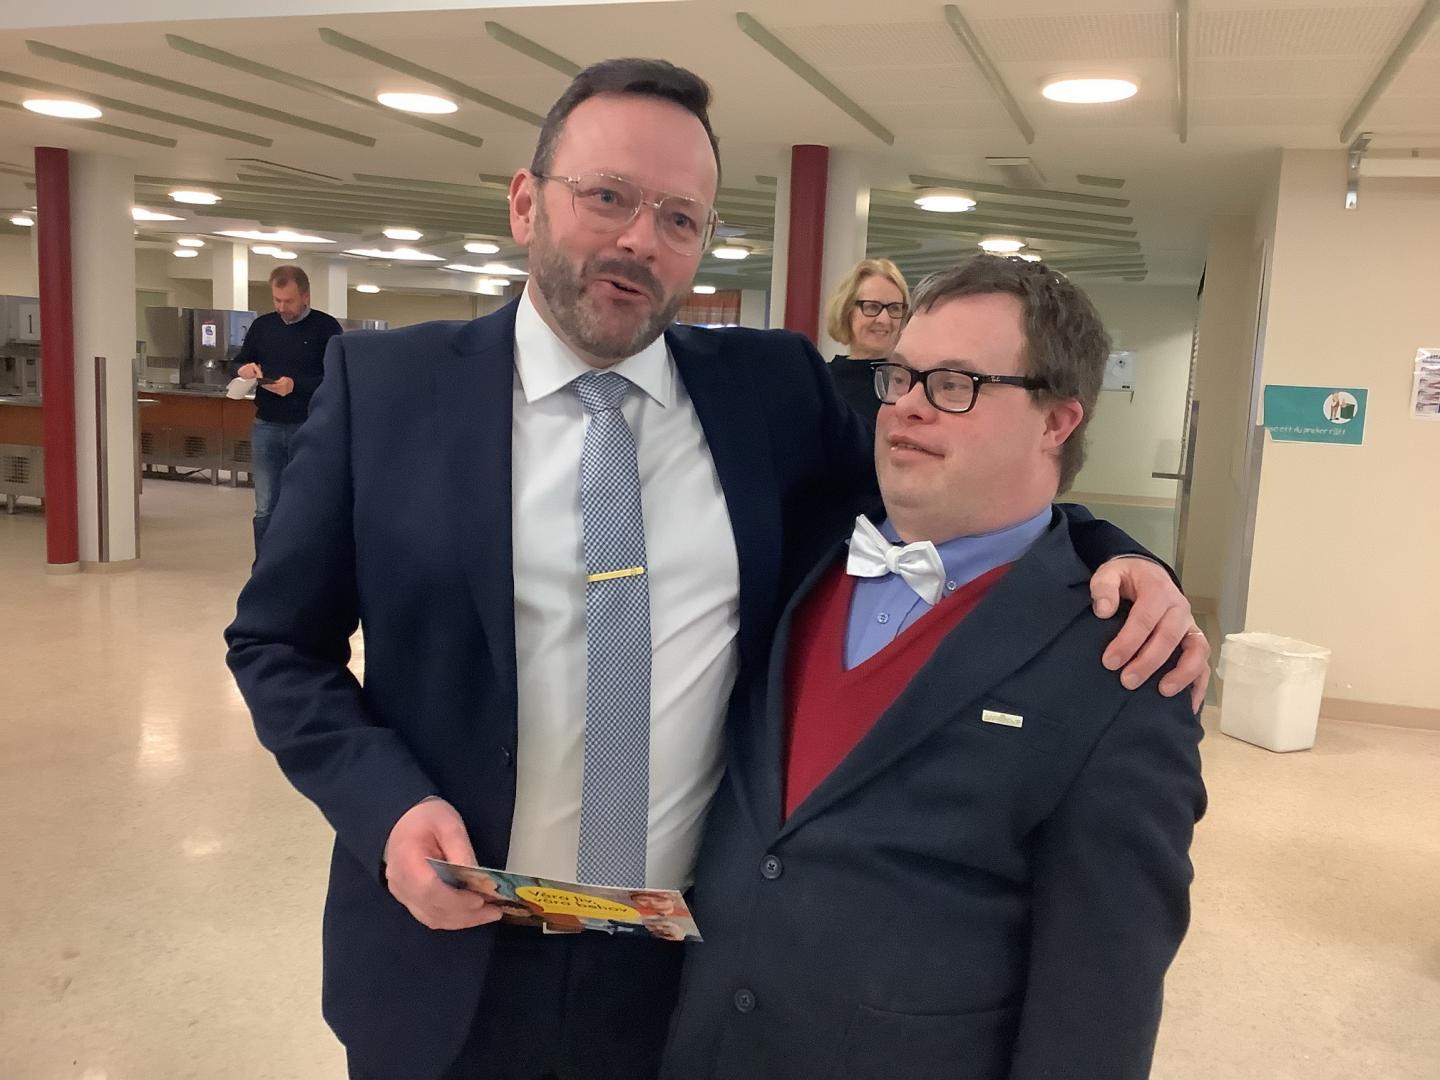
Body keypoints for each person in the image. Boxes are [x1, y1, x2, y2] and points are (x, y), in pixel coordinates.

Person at [224, 59, 1208, 1080]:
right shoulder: (389, 391)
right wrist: (383, 806)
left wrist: (1111, 554)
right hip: (447, 954)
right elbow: (275, 644)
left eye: (680, 218)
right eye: (607, 196)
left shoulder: (768, 393)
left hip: (684, 979)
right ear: (525, 203)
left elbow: (946, 488)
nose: (640, 239)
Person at [661, 256, 1208, 1080]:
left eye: (956, 383)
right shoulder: (802, 555)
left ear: (1058, 421)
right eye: (902, 377)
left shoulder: (1123, 665)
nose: (907, 406)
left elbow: (1101, 1000)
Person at [232, 263, 343, 553]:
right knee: (265, 506)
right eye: (277, 300)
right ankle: (265, 567)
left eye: (289, 301)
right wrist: (244, 369)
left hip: (308, 426)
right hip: (266, 424)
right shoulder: (263, 326)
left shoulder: (326, 328)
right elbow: (239, 362)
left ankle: (303, 563)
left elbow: (336, 378)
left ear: (305, 296)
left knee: (308, 501)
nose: (282, 307)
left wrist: (296, 386)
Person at [823, 258, 909, 429]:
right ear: (846, 311)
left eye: (894, 308)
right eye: (872, 307)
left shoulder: (915, 381)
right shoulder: (822, 383)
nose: (884, 320)